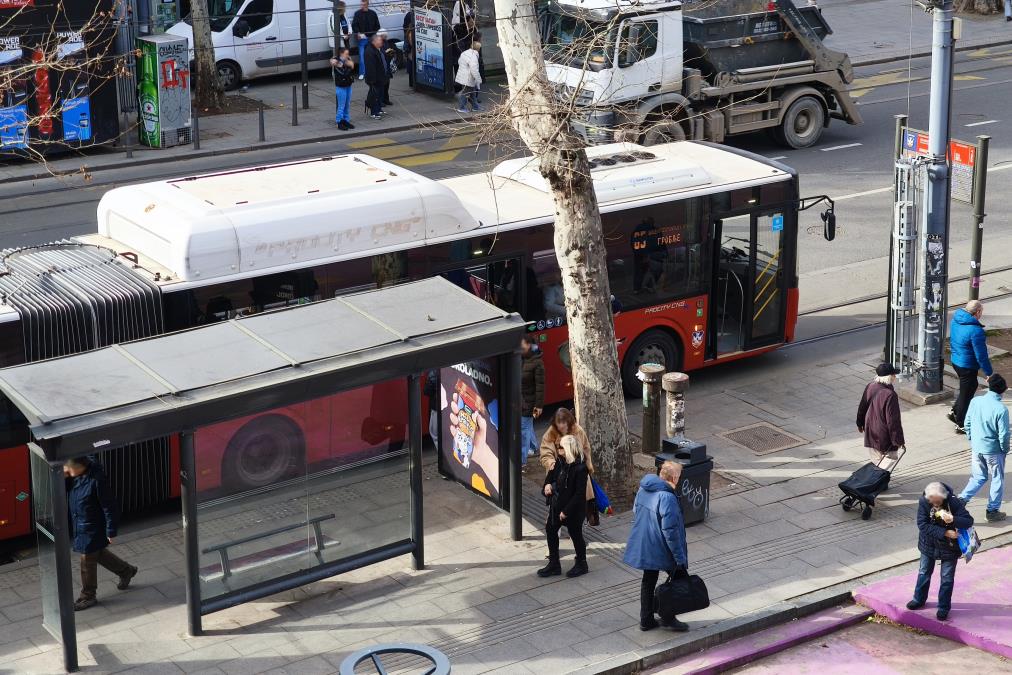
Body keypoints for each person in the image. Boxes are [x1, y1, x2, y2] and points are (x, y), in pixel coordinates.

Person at [623, 461, 690, 632]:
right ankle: (668, 617)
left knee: (648, 580)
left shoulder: (644, 488)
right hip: (660, 545)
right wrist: (679, 557)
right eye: (679, 476)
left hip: (645, 541)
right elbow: (670, 531)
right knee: (678, 579)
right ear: (674, 477)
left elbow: (636, 511)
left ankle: (646, 619)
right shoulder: (667, 497)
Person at [64, 456, 138, 611]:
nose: (66, 471)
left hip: (92, 527)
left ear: (79, 467)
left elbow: (109, 507)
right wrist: (64, 476)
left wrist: (111, 530)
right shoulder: (74, 477)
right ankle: (126, 571)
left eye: (69, 469)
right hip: (81, 524)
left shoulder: (96, 481)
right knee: (98, 554)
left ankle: (88, 596)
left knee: (87, 561)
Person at [907, 481, 973, 620]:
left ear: (944, 498)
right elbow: (922, 525)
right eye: (933, 502)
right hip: (928, 544)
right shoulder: (924, 501)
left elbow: (968, 521)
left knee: (947, 578)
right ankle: (918, 599)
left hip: (950, 548)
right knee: (924, 572)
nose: (935, 504)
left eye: (938, 502)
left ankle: (943, 607)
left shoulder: (953, 503)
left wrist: (953, 519)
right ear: (928, 498)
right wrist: (944, 532)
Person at [958, 373, 1009, 522]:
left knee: (978, 477)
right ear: (1003, 390)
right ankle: (992, 511)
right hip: (993, 451)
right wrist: (1004, 449)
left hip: (977, 447)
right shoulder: (1001, 409)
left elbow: (967, 423)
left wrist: (972, 439)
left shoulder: (976, 401)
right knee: (997, 479)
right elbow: (1004, 434)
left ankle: (961, 499)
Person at [538, 435, 589, 578]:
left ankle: (581, 563)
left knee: (576, 535)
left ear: (568, 449)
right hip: (557, 505)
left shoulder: (580, 468)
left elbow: (579, 494)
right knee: (550, 530)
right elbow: (550, 477)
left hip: (573, 510)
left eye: (561, 447)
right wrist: (547, 486)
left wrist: (566, 511)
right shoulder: (559, 462)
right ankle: (554, 564)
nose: (558, 450)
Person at [948, 300, 993, 434]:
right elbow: (981, 355)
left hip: (956, 361)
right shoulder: (976, 330)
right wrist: (989, 372)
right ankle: (960, 423)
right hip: (967, 365)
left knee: (970, 387)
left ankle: (955, 411)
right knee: (966, 394)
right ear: (977, 312)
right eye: (981, 312)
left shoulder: (956, 320)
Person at [856, 363, 905, 471]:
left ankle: (876, 481)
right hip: (884, 435)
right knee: (887, 461)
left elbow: (862, 407)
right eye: (893, 375)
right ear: (890, 377)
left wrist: (859, 423)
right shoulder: (890, 395)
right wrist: (898, 440)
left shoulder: (870, 386)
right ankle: (878, 481)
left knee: (876, 460)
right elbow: (893, 421)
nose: (895, 377)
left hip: (870, 430)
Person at [539, 407, 595, 503]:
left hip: (577, 471)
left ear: (568, 422)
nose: (561, 427)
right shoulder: (550, 433)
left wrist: (588, 466)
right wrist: (551, 463)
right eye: (558, 424)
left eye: (564, 424)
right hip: (559, 473)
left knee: (580, 499)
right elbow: (546, 452)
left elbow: (586, 448)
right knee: (559, 502)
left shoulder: (577, 430)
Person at [520, 335, 545, 467]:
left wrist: (538, 406)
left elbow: (541, 386)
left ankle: (522, 461)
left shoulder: (537, 363)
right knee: (526, 425)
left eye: (522, 345)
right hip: (521, 400)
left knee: (523, 428)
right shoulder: (521, 358)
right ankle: (534, 447)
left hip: (528, 402)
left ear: (529, 345)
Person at [352, 0, 380, 79]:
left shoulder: (373, 13)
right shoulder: (357, 13)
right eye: (361, 5)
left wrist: (373, 34)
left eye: (364, 5)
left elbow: (377, 26)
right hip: (362, 38)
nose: (362, 6)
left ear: (367, 4)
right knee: (362, 56)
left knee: (373, 55)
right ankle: (362, 73)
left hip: (371, 38)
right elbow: (354, 25)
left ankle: (373, 72)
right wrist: (358, 33)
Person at [363, 33, 388, 119]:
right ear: (374, 41)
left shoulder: (377, 49)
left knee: (380, 94)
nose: (381, 42)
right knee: (375, 95)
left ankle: (378, 109)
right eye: (379, 40)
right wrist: (372, 80)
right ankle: (374, 112)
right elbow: (371, 67)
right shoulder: (370, 51)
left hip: (380, 77)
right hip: (375, 78)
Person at [330, 47, 356, 130]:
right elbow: (333, 62)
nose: (347, 55)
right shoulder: (336, 59)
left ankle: (346, 120)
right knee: (341, 106)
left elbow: (352, 65)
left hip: (348, 84)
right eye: (346, 54)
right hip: (341, 86)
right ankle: (339, 122)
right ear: (341, 54)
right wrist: (342, 62)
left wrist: (345, 62)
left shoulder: (347, 59)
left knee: (347, 105)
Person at [455, 39, 482, 113]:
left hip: (463, 76)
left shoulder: (465, 53)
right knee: (465, 93)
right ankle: (461, 108)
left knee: (472, 92)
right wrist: (479, 79)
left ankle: (475, 107)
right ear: (478, 49)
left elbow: (459, 61)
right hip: (468, 78)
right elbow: (474, 70)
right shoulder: (473, 57)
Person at [403, 9, 415, 87]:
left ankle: (411, 82)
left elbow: (404, 26)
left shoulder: (408, 14)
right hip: (411, 49)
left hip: (408, 48)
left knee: (410, 64)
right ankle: (412, 83)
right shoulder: (411, 33)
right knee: (412, 64)